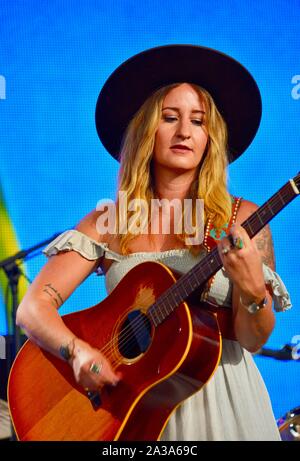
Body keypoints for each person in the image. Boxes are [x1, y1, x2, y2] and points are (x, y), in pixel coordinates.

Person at [16, 45, 291, 441]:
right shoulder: (107, 222)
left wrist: (251, 290)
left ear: (210, 136)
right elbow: (32, 308)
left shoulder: (240, 220)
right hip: (131, 409)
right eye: (169, 118)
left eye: (198, 121)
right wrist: (77, 354)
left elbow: (254, 338)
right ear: (146, 130)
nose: (184, 132)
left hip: (223, 404)